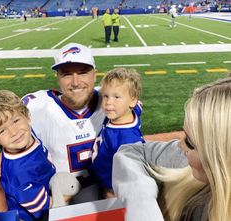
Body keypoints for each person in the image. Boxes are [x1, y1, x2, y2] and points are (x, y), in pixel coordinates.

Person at [112, 78, 231, 221]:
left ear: (222, 156)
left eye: (190, 142)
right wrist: (140, 197)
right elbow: (131, 152)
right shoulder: (186, 161)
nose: (180, 145)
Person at [22, 43, 106, 203]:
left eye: (82, 73)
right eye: (67, 74)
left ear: (95, 75)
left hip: (101, 186)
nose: (75, 82)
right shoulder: (37, 107)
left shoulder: (110, 101)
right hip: (58, 194)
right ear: (58, 78)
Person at [0, 90, 56, 221]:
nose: (14, 132)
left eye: (15, 121)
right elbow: (43, 208)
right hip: (35, 213)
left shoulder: (27, 134)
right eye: (2, 131)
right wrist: (66, 196)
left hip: (44, 184)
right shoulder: (18, 173)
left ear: (27, 117)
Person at [91, 68, 144, 198]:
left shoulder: (126, 139)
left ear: (132, 100)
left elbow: (130, 172)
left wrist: (112, 189)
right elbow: (139, 106)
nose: (109, 102)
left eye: (116, 97)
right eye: (105, 96)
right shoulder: (131, 111)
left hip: (111, 186)